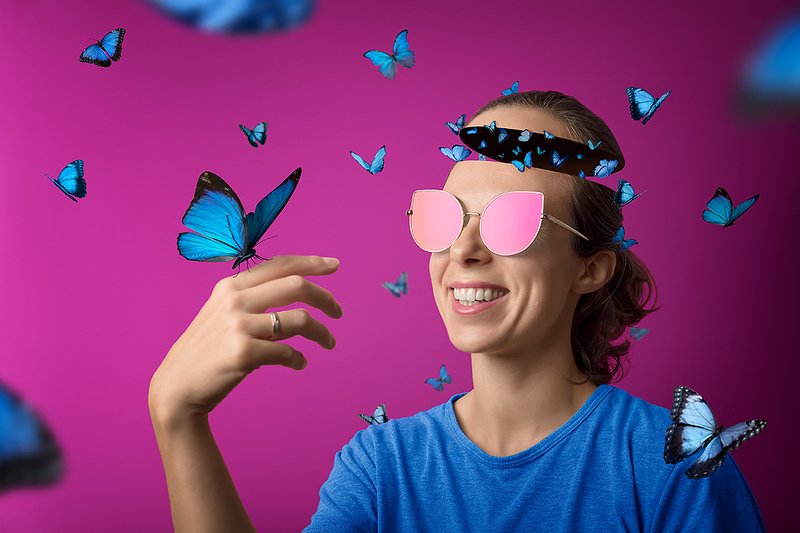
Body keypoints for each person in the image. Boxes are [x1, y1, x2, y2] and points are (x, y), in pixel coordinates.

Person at [148, 90, 767, 532]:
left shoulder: (670, 466)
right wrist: (178, 418)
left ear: (589, 268)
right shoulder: (380, 466)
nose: (463, 251)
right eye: (444, 218)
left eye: (512, 221)